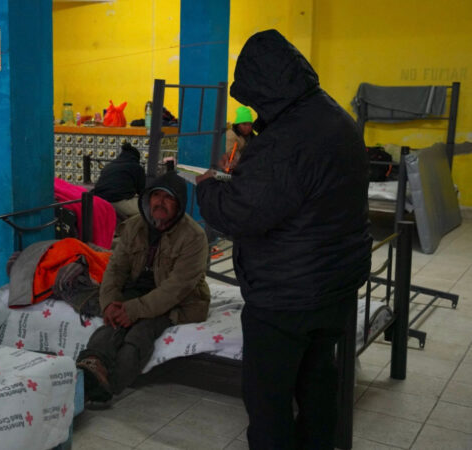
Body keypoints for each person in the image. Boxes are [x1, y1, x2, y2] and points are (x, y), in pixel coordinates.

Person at [195, 29, 371, 449]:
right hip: (336, 284)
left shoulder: (284, 143)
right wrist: (254, 155)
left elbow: (240, 213)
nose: (254, 109)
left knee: (268, 399)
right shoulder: (333, 116)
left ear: (265, 87)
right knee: (317, 383)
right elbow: (297, 188)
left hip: (287, 295)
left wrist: (208, 188)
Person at [77, 171, 210, 408]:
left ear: (179, 204)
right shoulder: (135, 226)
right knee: (110, 327)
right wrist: (110, 303)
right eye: (156, 196)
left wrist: (133, 310)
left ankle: (105, 389)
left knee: (139, 334)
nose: (160, 202)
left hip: (179, 302)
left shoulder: (194, 237)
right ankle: (90, 368)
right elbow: (115, 269)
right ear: (147, 199)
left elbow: (176, 288)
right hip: (137, 292)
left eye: (168, 198)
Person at [91, 142, 146, 218]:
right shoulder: (136, 167)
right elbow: (142, 191)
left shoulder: (109, 166)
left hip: (98, 200)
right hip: (117, 201)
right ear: (136, 158)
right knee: (147, 208)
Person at [219, 106, 255, 172]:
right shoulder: (231, 135)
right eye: (244, 124)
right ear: (238, 125)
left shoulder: (251, 135)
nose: (248, 127)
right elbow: (230, 152)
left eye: (250, 124)